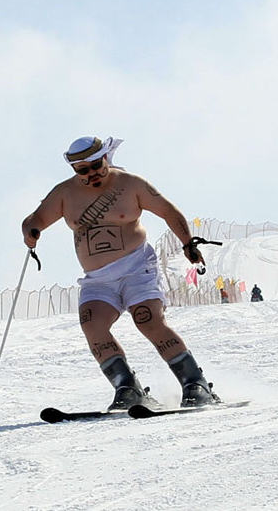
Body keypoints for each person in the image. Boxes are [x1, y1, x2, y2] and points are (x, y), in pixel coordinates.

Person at [21, 136, 219, 410]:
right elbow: (35, 219)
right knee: (92, 325)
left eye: (96, 166)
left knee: (147, 320)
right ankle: (127, 387)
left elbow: (167, 211)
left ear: (105, 158)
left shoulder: (131, 184)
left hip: (137, 267)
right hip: (98, 279)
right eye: (83, 170)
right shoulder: (64, 194)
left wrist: (187, 243)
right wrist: (31, 232)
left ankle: (195, 384)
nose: (92, 174)